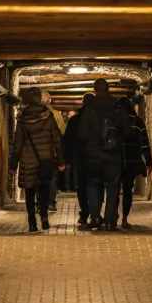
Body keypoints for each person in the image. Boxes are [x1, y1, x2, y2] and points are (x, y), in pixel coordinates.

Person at [9, 87, 65, 232]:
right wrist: (60, 161)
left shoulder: (22, 119)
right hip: (45, 158)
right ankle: (44, 217)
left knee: (29, 192)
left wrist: (13, 164)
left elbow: (17, 144)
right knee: (44, 189)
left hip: (28, 160)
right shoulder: (48, 116)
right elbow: (57, 140)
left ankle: (32, 222)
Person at [78, 79, 129, 231]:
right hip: (113, 154)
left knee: (93, 184)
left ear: (94, 89)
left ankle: (95, 216)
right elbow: (127, 130)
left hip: (93, 154)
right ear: (108, 88)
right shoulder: (118, 107)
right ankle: (109, 220)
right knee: (113, 187)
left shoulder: (90, 108)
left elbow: (82, 133)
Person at [117, 96, 152, 229]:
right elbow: (144, 143)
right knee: (127, 190)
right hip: (132, 162)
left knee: (114, 189)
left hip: (116, 161)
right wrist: (149, 161)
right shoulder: (137, 121)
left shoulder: (113, 121)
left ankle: (113, 216)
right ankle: (124, 219)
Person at [63, 93, 98, 228]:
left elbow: (67, 141)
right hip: (96, 157)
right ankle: (95, 214)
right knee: (96, 185)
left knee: (82, 187)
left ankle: (84, 213)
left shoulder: (74, 120)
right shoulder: (99, 119)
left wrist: (67, 159)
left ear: (83, 103)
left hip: (80, 158)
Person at [39, 90, 64, 212]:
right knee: (52, 178)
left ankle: (40, 203)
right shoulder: (57, 115)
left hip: (37, 151)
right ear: (50, 100)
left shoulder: (32, 114)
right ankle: (51, 203)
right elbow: (62, 133)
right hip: (51, 151)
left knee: (38, 177)